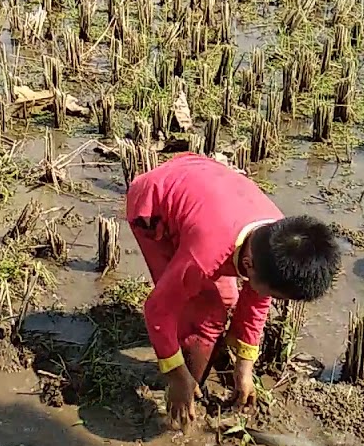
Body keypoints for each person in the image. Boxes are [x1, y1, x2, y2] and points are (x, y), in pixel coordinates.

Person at [125, 153, 342, 430]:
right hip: (154, 204)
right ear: (248, 265)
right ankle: (184, 396)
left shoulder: (276, 242)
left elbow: (256, 302)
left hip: (203, 184)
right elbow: (157, 309)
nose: (273, 300)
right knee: (200, 313)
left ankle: (199, 368)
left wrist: (245, 368)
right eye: (277, 295)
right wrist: (177, 376)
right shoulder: (204, 256)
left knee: (226, 299)